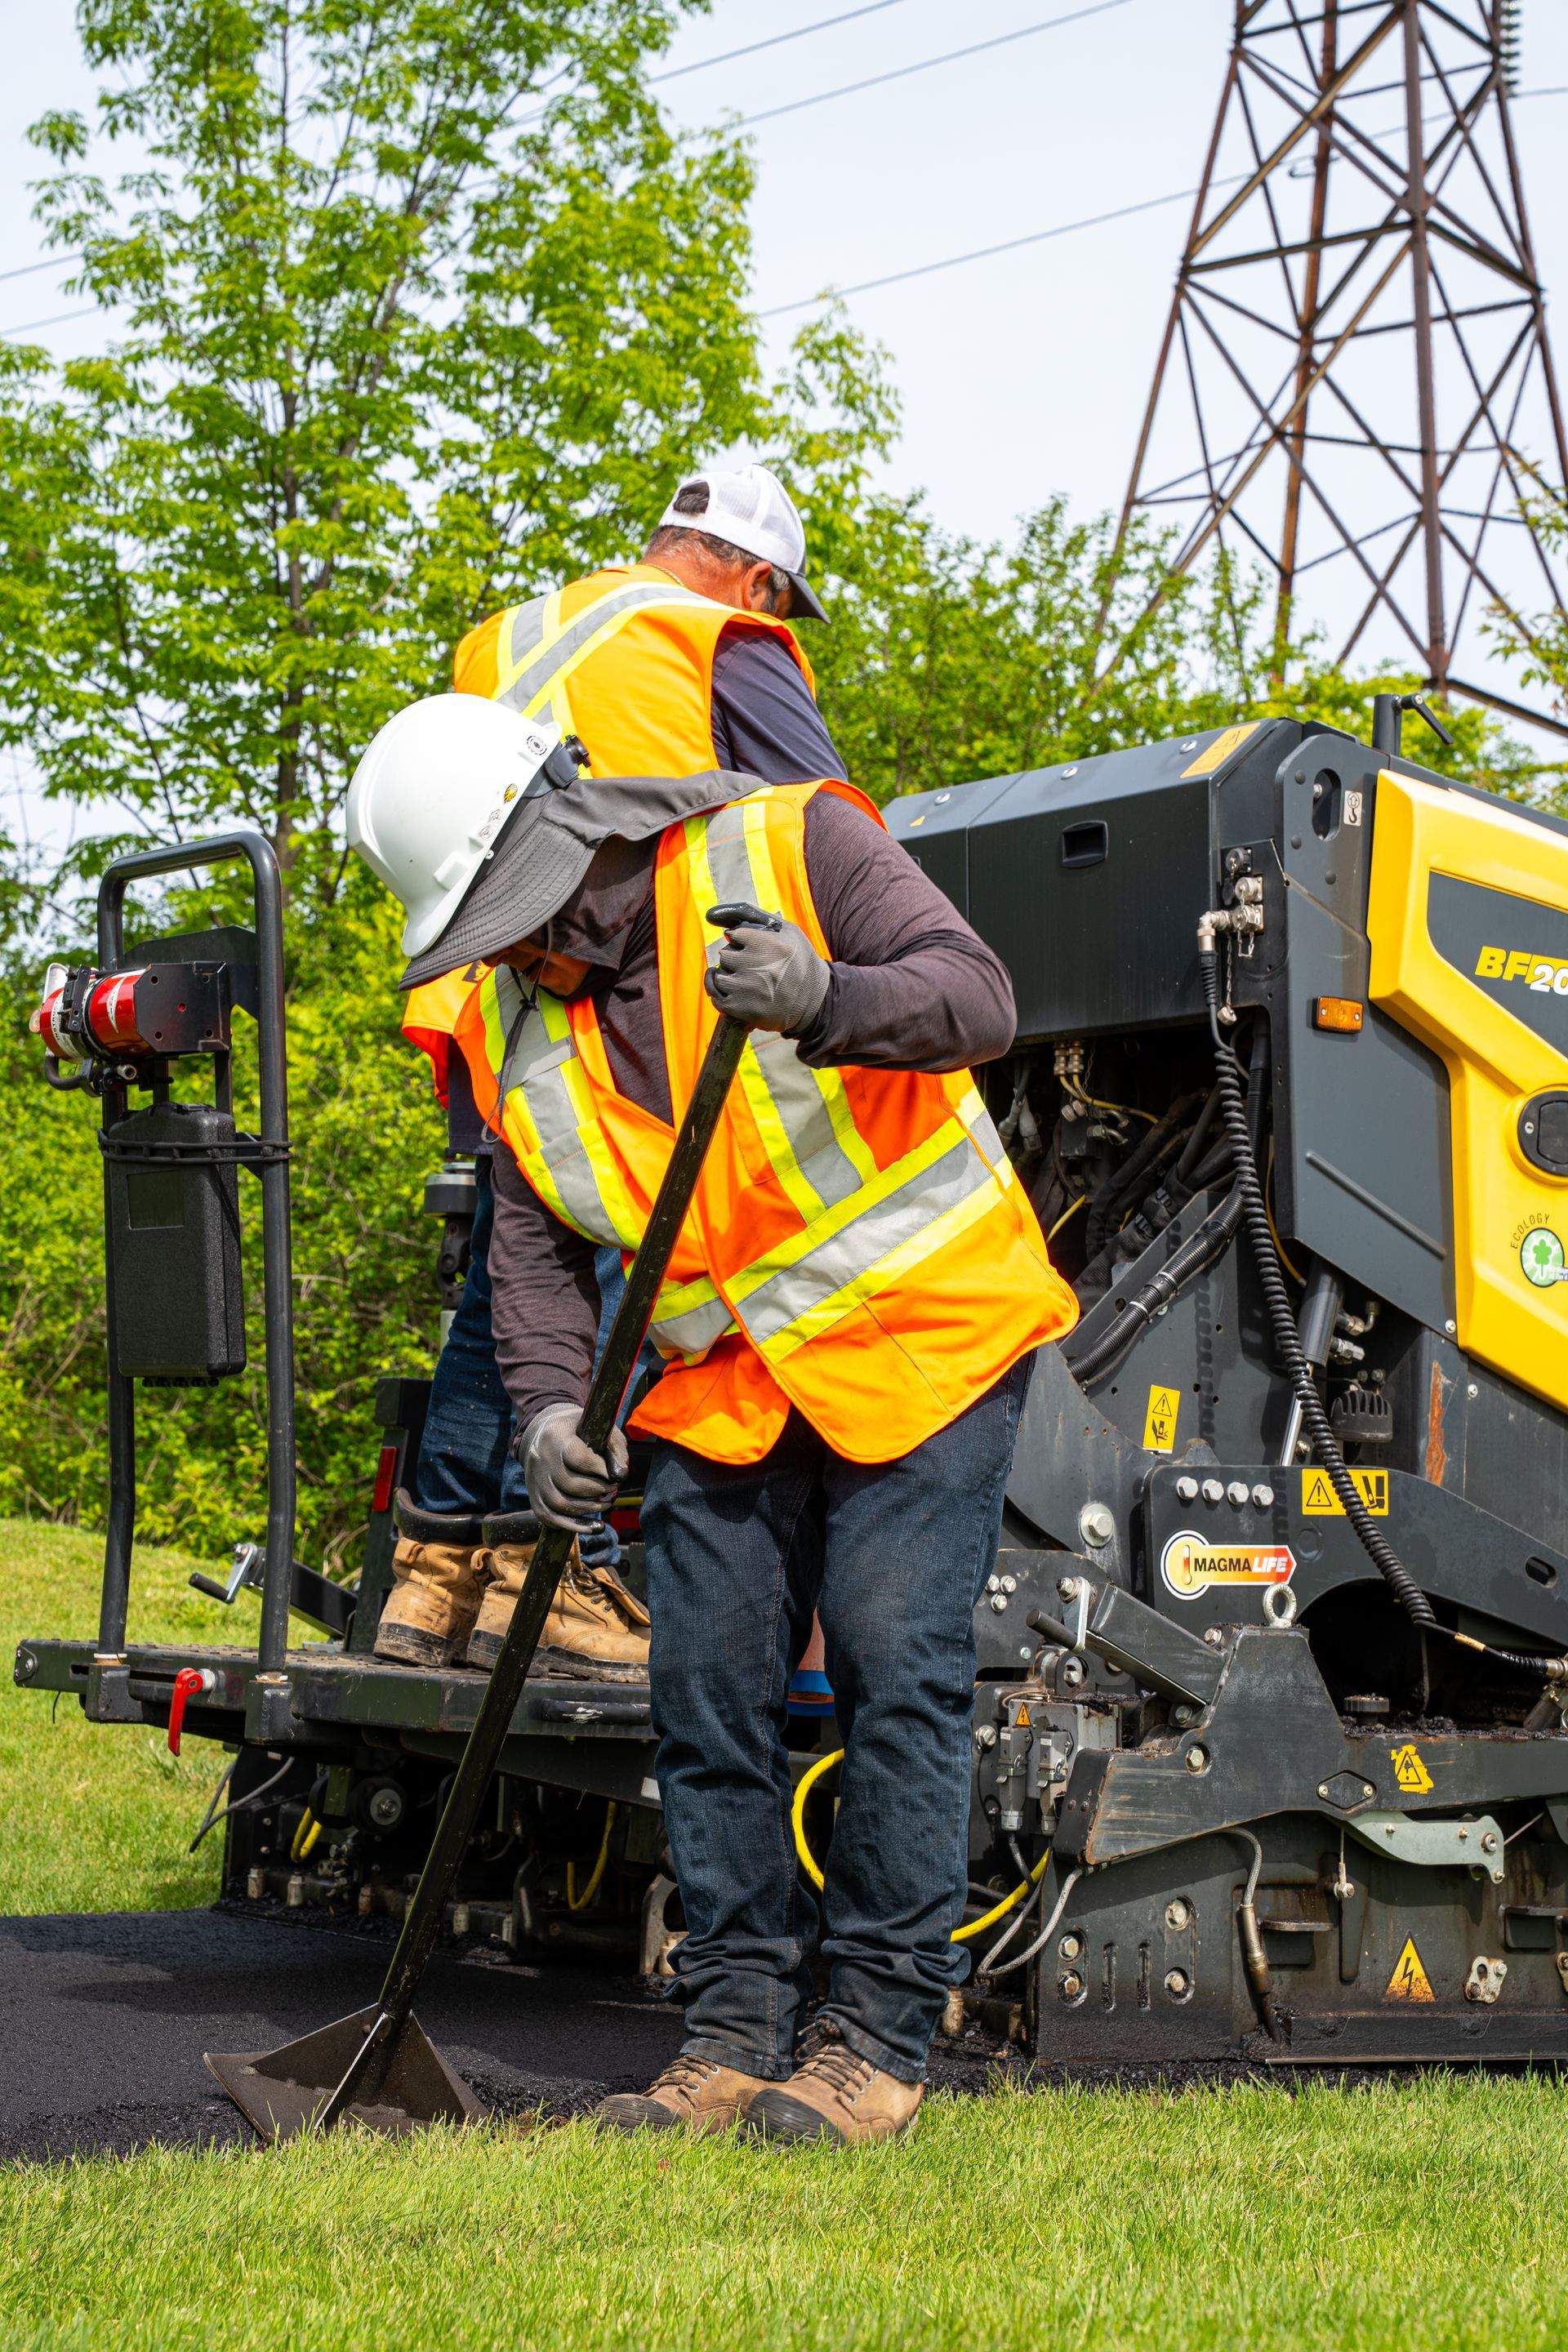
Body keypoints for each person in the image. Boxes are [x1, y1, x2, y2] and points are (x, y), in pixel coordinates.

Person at [349, 688, 1079, 2146]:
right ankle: (733, 2034)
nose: (516, 952)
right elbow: (534, 1245)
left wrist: (828, 1000)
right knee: (703, 1692)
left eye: (520, 915)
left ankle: (873, 2042)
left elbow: (979, 997)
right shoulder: (514, 1025)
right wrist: (555, 1411)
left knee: (891, 1666)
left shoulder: (788, 846)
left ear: (566, 838)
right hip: (728, 1386)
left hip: (920, 1337)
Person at [373, 464, 846, 1678]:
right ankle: (555, 1575)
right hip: (632, 989)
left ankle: (436, 1584)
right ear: (755, 578)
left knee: (509, 1274)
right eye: (783, 603)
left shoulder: (509, 635)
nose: (780, 624)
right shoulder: (721, 638)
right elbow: (819, 823)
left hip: (485, 992)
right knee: (621, 1254)